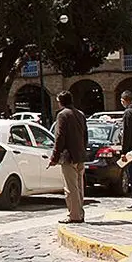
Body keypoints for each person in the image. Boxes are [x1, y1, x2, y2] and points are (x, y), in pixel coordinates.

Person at [49, 91, 88, 223]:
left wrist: (54, 157)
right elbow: (85, 136)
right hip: (80, 155)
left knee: (70, 187)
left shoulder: (62, 115)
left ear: (61, 101)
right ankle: (80, 213)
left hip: (68, 156)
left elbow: (59, 137)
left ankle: (74, 215)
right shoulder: (80, 114)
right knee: (79, 186)